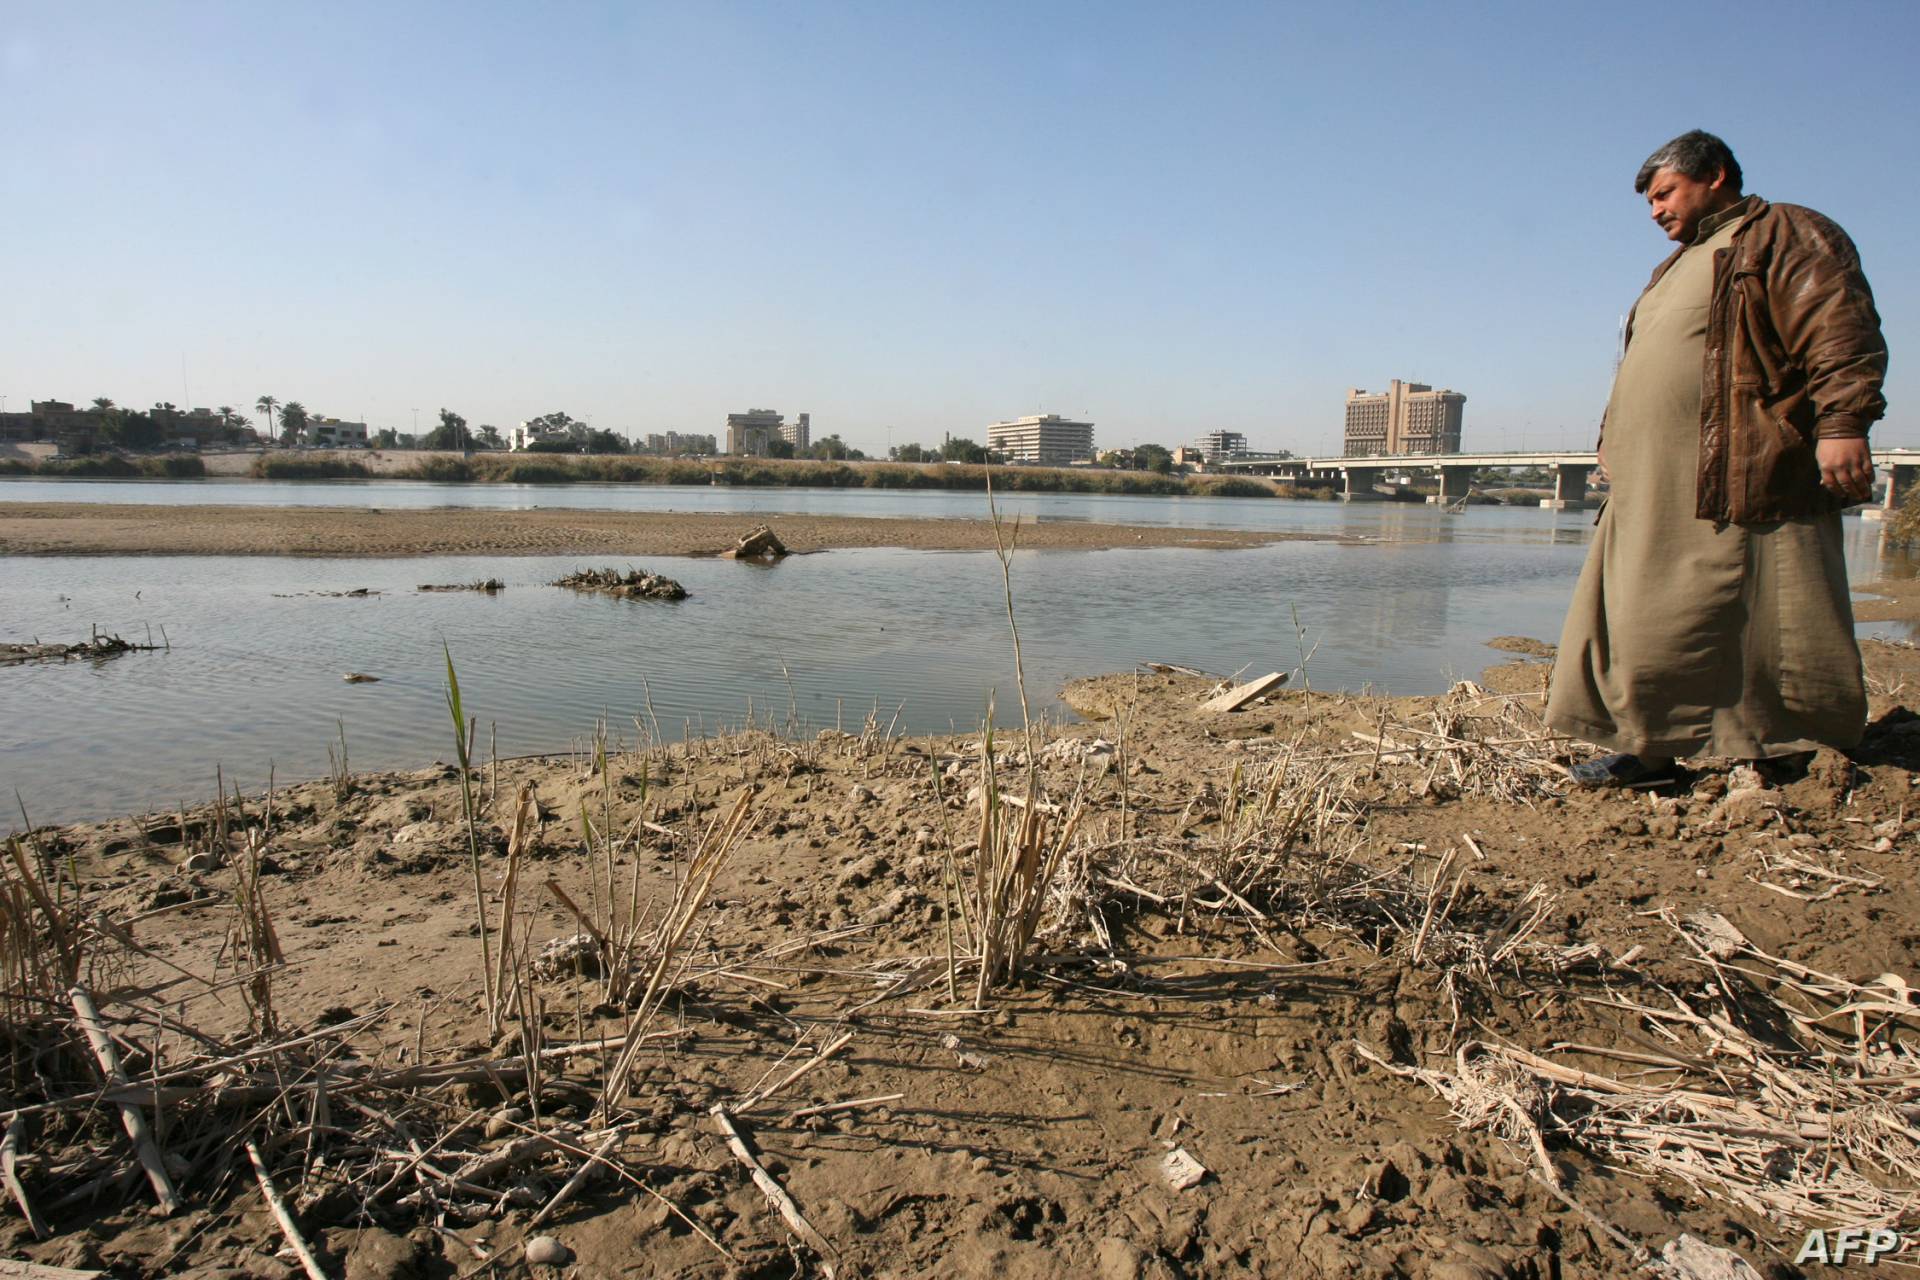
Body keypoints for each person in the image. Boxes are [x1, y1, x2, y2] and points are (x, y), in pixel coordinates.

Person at [1546, 129, 1888, 787]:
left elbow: (1839, 326)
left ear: (1717, 175)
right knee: (1642, 612)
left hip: (1745, 466)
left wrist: (1843, 422)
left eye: (1665, 193)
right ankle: (1647, 749)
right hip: (1653, 482)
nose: (1655, 212)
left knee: (1774, 607)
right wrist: (1611, 435)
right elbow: (1644, 364)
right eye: (1649, 202)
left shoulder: (1783, 233)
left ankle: (1790, 747)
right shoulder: (1676, 266)